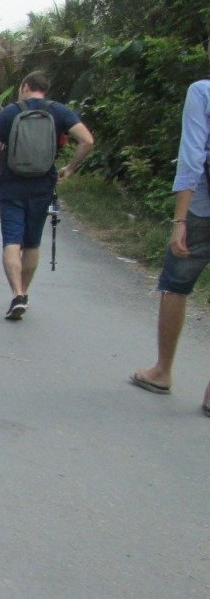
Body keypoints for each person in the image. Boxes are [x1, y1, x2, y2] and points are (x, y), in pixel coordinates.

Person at [0, 71, 94, 320]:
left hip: (12, 186)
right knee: (31, 243)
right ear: (45, 89)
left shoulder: (10, 112)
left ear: (25, 86)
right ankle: (25, 292)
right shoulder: (59, 111)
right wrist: (70, 168)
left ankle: (17, 294)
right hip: (43, 185)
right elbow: (86, 140)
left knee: (12, 241)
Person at [129, 76, 210, 416]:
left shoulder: (203, 91)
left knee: (175, 286)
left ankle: (162, 371)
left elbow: (192, 157)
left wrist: (179, 221)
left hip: (201, 211)